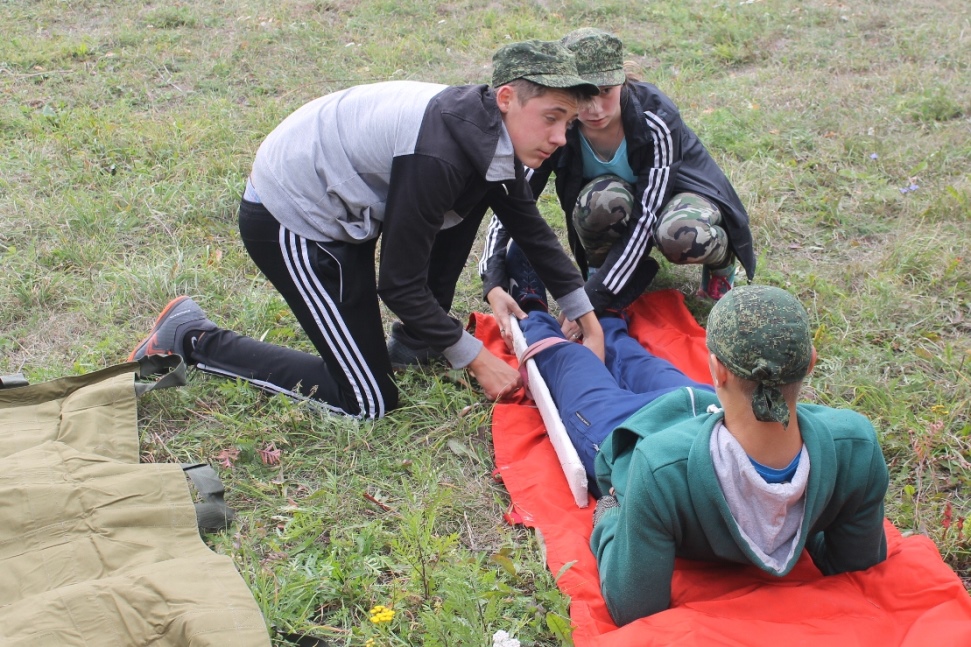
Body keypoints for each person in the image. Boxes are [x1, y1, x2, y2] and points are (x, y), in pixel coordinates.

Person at [128, 39, 605, 419]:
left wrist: (587, 319)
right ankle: (191, 337)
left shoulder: (487, 131)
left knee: (478, 194)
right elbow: (398, 284)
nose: (560, 138)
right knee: (366, 400)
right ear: (506, 99)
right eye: (551, 119)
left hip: (350, 207)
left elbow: (531, 229)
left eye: (567, 123)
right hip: (294, 216)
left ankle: (418, 342)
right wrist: (476, 357)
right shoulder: (439, 155)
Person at [505, 249, 888, 625]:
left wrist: (609, 511)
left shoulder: (659, 470)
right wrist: (804, 524)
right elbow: (852, 558)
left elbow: (632, 604)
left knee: (570, 360)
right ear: (811, 362)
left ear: (717, 368)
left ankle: (531, 304)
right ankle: (606, 314)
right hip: (701, 405)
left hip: (635, 428)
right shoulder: (856, 446)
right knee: (631, 356)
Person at [482, 27, 757, 350]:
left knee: (679, 233)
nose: (595, 108)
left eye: (606, 91)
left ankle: (721, 263)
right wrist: (493, 279)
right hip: (617, 198)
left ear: (622, 80)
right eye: (584, 95)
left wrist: (592, 297)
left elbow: (647, 217)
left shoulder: (655, 116)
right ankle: (603, 266)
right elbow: (512, 200)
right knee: (600, 201)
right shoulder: (559, 123)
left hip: (676, 198)